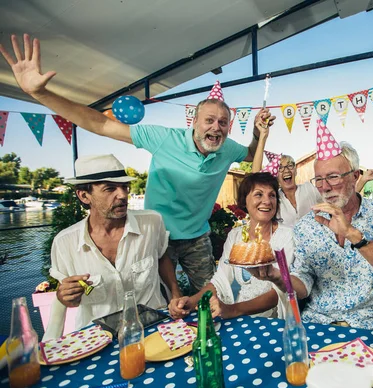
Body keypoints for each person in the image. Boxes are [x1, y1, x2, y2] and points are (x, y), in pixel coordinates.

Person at [0, 34, 275, 294]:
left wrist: (256, 132)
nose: (216, 127)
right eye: (209, 120)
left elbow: (252, 155)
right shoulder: (162, 138)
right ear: (193, 122)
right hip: (157, 237)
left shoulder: (227, 148)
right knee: (160, 299)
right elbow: (100, 123)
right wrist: (41, 94)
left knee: (213, 294)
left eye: (223, 123)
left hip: (198, 237)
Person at [252, 122, 373, 330]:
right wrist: (278, 276)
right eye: (319, 179)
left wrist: (353, 235)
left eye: (333, 177)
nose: (325, 187)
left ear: (355, 176)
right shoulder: (307, 226)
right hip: (319, 326)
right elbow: (303, 282)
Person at [48, 154, 179, 336]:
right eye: (110, 189)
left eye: (125, 187)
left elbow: (161, 257)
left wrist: (175, 294)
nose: (123, 195)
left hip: (152, 327)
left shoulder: (152, 222)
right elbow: (68, 297)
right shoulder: (65, 243)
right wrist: (65, 297)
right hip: (97, 337)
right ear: (84, 195)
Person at [168, 172, 293, 320]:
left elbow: (279, 291)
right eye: (258, 195)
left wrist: (233, 310)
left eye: (272, 195)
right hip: (241, 318)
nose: (267, 201)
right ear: (244, 201)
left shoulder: (286, 236)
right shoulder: (236, 236)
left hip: (273, 321)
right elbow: (220, 280)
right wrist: (191, 301)